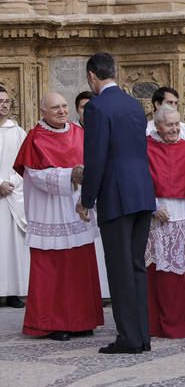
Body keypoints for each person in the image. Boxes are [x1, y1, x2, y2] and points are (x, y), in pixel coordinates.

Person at [78, 52, 156, 354]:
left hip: (116, 194)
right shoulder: (134, 105)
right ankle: (142, 335)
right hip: (141, 192)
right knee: (137, 265)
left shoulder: (97, 107)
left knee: (120, 267)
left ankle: (129, 338)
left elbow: (95, 157)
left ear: (91, 76)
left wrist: (86, 199)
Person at [15, 92, 103, 341]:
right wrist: (69, 176)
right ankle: (53, 323)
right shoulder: (35, 138)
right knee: (53, 269)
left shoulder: (78, 132)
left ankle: (83, 319)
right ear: (43, 111)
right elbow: (34, 175)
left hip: (76, 208)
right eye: (55, 107)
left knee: (79, 267)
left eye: (64, 106)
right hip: (50, 210)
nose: (62, 111)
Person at [145, 106, 185, 338]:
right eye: (169, 125)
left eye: (177, 125)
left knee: (180, 276)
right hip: (157, 221)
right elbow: (138, 183)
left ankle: (179, 324)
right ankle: (156, 325)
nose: (174, 129)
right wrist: (152, 206)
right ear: (157, 125)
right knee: (158, 275)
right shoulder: (146, 149)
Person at [74, 90, 111, 300]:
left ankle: (107, 291)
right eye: (82, 108)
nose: (87, 113)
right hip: (79, 199)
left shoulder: (103, 130)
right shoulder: (72, 133)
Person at [0, 87, 29, 309]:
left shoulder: (18, 132)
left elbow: (25, 163)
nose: (4, 105)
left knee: (13, 246)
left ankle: (13, 292)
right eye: (0, 101)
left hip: (13, 194)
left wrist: (11, 183)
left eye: (7, 101)